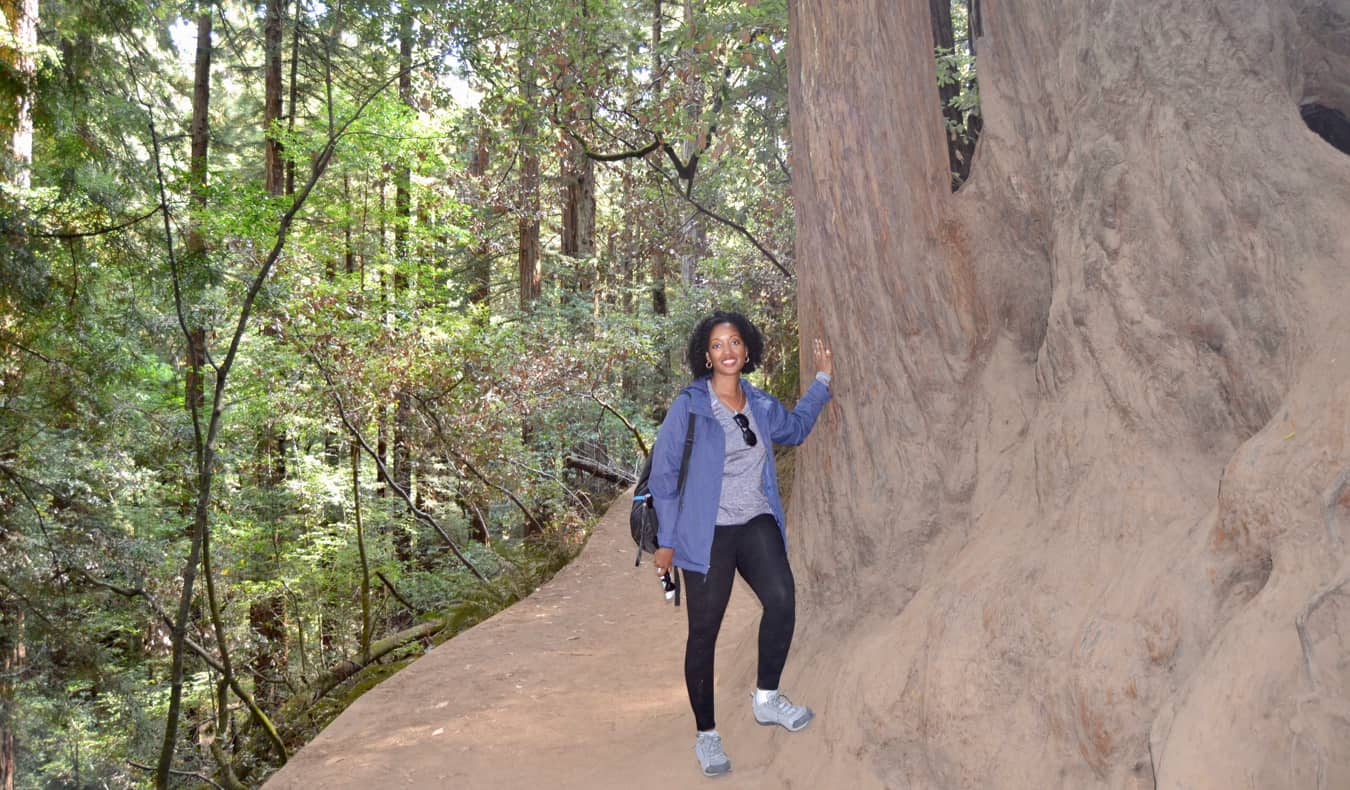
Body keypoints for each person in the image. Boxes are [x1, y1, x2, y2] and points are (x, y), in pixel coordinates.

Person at [648, 310, 833, 778]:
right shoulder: (688, 406)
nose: (727, 351)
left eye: (734, 342)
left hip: (755, 519)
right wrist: (666, 543)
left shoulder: (760, 403)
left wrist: (823, 383)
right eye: (717, 345)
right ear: (705, 356)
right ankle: (707, 736)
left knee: (782, 600)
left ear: (747, 350)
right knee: (704, 633)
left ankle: (767, 698)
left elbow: (794, 429)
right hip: (706, 532)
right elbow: (664, 477)